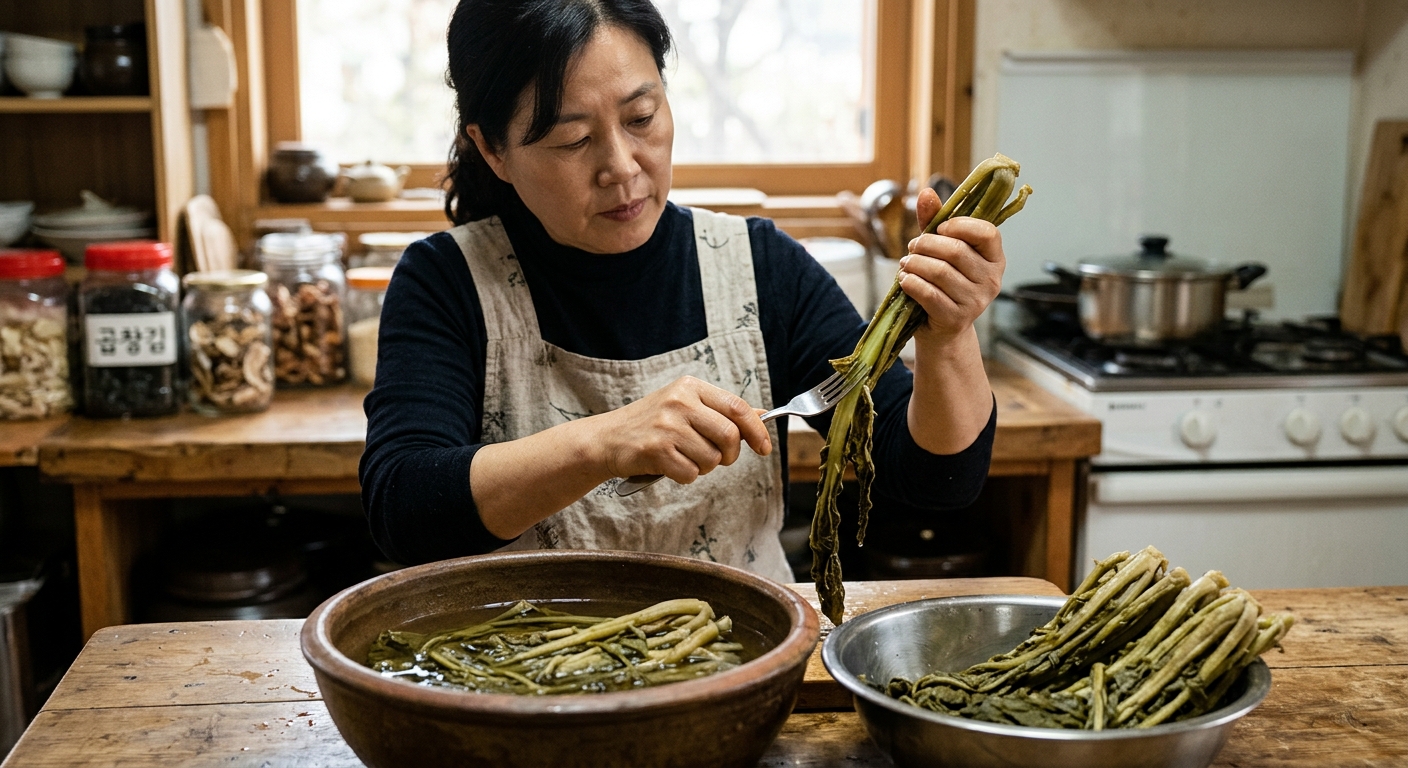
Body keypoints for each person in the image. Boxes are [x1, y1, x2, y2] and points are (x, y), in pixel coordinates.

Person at [360, 0, 1005, 582]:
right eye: (573, 140)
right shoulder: (447, 282)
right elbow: (404, 509)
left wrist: (949, 336)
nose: (621, 166)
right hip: (533, 691)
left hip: (738, 671)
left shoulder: (759, 268)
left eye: (642, 117)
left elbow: (934, 478)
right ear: (492, 149)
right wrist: (602, 443)